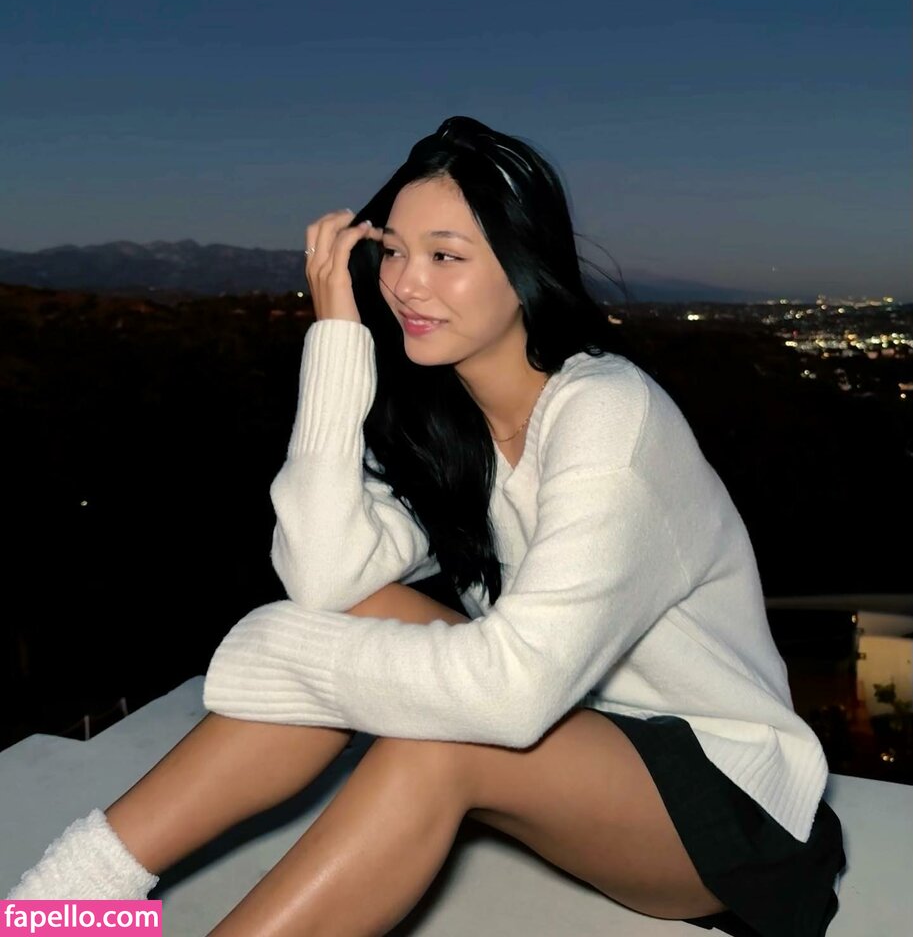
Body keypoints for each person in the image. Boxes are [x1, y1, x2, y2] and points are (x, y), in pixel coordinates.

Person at [7, 116, 845, 935]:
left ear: (524, 268)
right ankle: (59, 908)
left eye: (446, 256)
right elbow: (325, 578)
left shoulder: (607, 415)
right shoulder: (447, 422)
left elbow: (512, 696)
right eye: (394, 252)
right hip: (580, 746)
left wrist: (292, 656)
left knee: (439, 742)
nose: (407, 283)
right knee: (355, 615)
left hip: (730, 808)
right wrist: (336, 335)